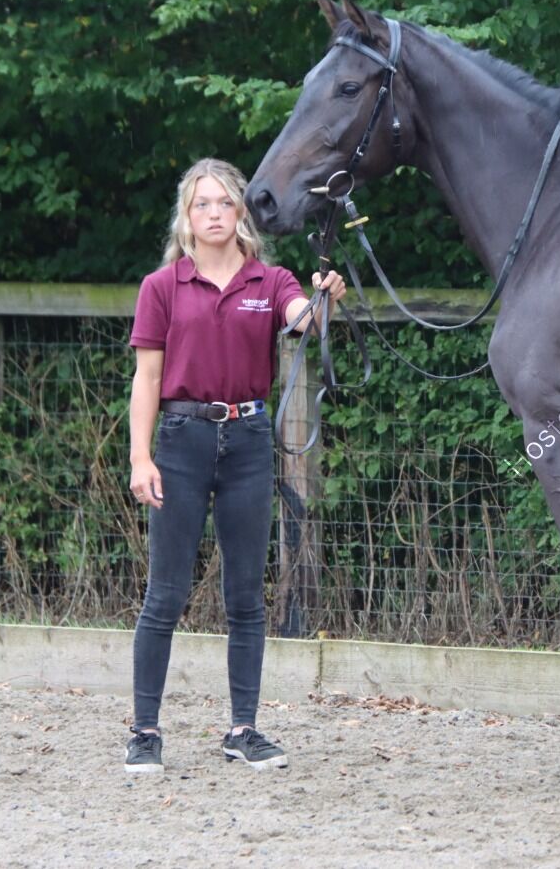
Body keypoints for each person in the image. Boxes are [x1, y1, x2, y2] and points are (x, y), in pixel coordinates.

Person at [123, 157, 345, 774]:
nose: (215, 213)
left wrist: (325, 297)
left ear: (241, 212)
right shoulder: (162, 287)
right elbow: (146, 378)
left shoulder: (270, 281)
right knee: (164, 594)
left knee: (246, 596)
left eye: (225, 202)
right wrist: (141, 457)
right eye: (203, 204)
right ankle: (144, 730)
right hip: (180, 439)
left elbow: (304, 321)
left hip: (248, 440)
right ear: (186, 217)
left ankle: (243, 728)